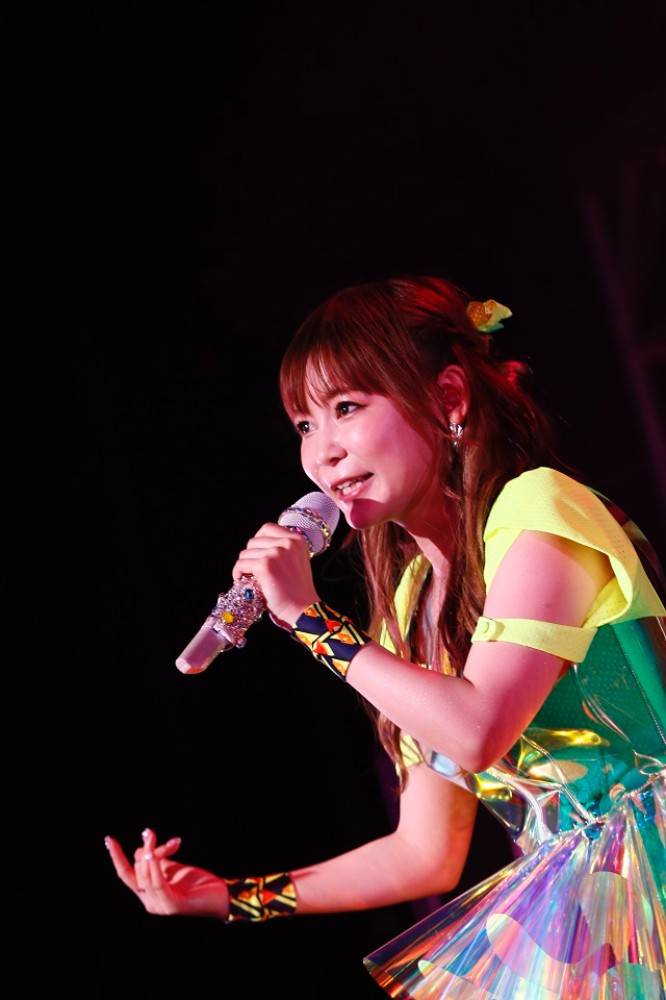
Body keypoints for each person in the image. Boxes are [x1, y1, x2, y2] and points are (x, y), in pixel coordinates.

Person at [107, 276, 666, 998]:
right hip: (590, 916)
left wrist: (310, 621)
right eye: (304, 426)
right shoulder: (411, 603)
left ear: (448, 399)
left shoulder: (539, 507)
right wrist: (232, 898)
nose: (323, 452)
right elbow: (425, 852)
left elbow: (476, 730)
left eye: (346, 408)